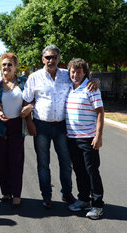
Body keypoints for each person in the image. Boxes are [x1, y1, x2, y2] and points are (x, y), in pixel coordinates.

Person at [22, 45, 99, 209]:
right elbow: (26, 101)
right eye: (48, 57)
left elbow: (84, 80)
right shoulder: (34, 77)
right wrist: (29, 122)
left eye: (54, 57)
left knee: (66, 162)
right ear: (43, 59)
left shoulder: (67, 75)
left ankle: (67, 193)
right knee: (43, 163)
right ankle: (46, 196)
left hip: (62, 127)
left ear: (59, 58)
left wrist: (95, 81)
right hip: (41, 126)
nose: (51, 60)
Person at [0, 53, 30, 208]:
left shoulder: (24, 83)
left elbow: (34, 99)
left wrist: (29, 107)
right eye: (4, 64)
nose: (6, 67)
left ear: (15, 66)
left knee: (16, 160)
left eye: (10, 64)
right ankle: (6, 192)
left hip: (17, 125)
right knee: (1, 160)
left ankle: (16, 194)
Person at [65, 58, 105, 220]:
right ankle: (83, 199)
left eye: (79, 72)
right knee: (79, 170)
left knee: (92, 171)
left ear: (85, 73)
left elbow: (101, 112)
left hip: (88, 138)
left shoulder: (91, 88)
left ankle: (97, 205)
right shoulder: (69, 88)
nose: (75, 74)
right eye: (73, 71)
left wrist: (98, 136)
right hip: (72, 138)